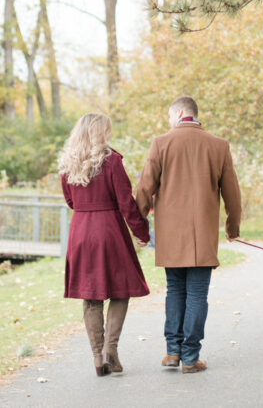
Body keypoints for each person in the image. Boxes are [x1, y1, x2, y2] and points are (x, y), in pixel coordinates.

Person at [134, 96, 242, 374]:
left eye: (169, 117)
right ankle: (190, 356)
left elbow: (145, 188)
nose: (168, 123)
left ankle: (172, 351)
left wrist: (138, 224)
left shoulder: (161, 143)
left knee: (175, 290)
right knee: (196, 294)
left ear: (179, 113)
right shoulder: (218, 145)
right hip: (203, 236)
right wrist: (232, 227)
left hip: (171, 236)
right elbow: (232, 193)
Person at [58, 113, 151, 377]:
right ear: (101, 132)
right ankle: (111, 349)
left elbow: (70, 201)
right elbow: (126, 203)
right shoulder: (112, 161)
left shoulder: (68, 164)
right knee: (120, 290)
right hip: (109, 231)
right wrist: (142, 232)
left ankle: (98, 358)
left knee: (91, 296)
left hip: (81, 232)